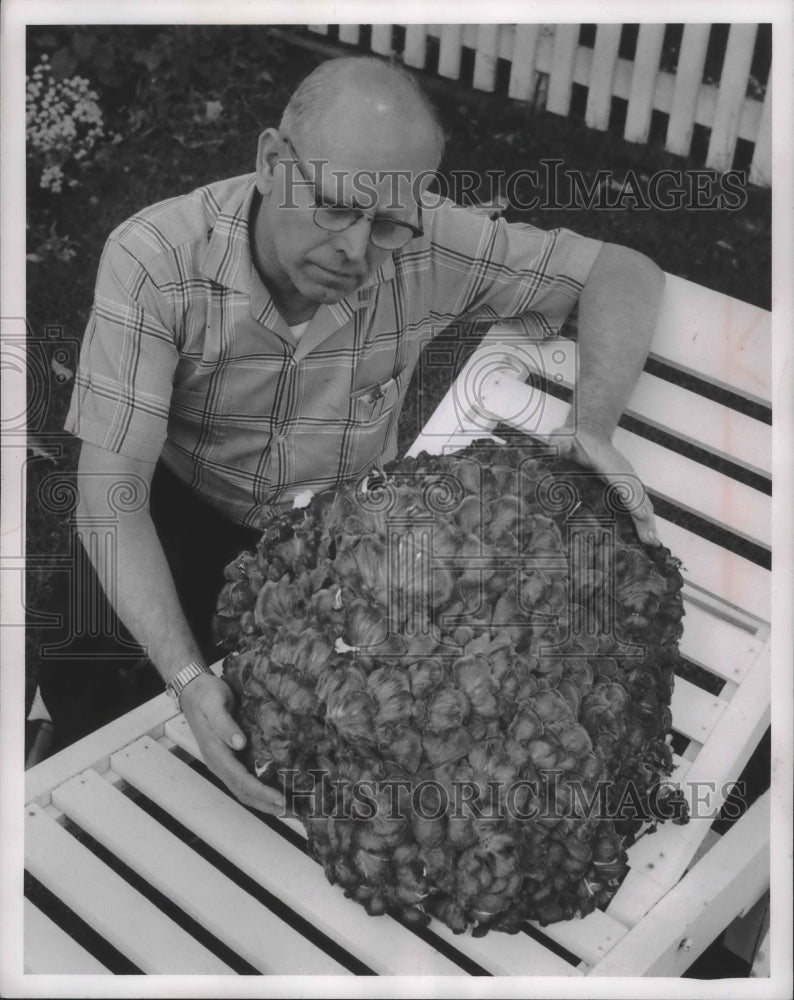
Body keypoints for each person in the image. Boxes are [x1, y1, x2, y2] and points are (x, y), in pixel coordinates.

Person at [50, 54, 663, 814]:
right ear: (273, 161)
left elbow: (621, 272)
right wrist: (185, 676)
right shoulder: (156, 261)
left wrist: (592, 424)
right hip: (167, 516)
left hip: (327, 554)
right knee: (96, 749)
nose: (355, 249)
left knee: (284, 787)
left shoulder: (428, 242)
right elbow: (110, 501)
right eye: (337, 207)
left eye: (387, 223)